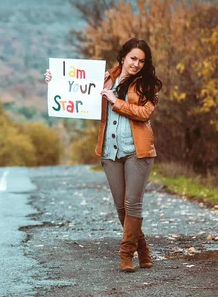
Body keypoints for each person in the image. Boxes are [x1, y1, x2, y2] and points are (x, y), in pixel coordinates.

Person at [45, 38, 162, 273]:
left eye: (141, 60)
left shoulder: (147, 85)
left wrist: (115, 101)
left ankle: (126, 255)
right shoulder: (105, 78)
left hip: (137, 151)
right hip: (110, 151)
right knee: (121, 207)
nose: (137, 64)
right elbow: (77, 89)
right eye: (133, 58)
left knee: (133, 204)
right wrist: (54, 80)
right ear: (123, 57)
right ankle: (144, 250)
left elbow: (145, 113)